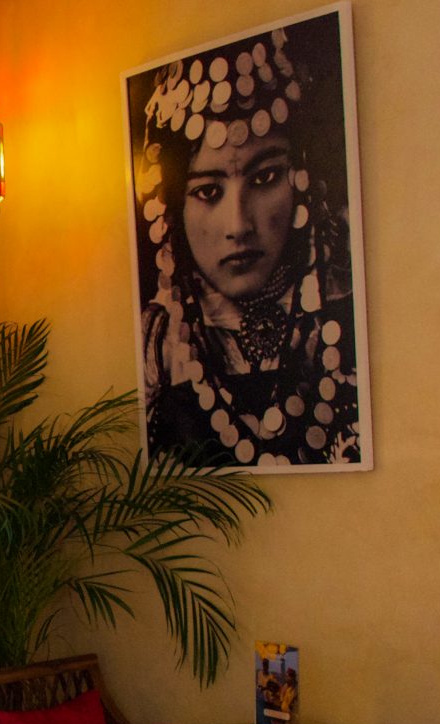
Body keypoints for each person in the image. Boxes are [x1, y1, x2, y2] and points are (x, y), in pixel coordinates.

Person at [135, 24, 361, 468]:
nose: (238, 226)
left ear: (301, 181)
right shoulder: (159, 345)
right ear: (174, 206)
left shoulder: (346, 310)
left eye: (265, 178)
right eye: (208, 192)